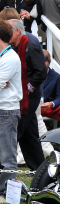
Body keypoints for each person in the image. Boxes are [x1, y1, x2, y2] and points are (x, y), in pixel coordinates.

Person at [9, 19, 46, 171]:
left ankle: (5, 167)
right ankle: (39, 168)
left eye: (8, 30)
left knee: (17, 129)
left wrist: (27, 87)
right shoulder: (16, 47)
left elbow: (41, 72)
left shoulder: (29, 46)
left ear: (17, 31)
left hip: (29, 96)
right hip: (22, 95)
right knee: (29, 134)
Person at [0, 19, 22, 192]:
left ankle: (7, 191)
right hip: (4, 109)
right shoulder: (5, 56)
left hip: (7, 111)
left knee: (7, 156)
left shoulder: (10, 58)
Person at [40, 49, 60, 127]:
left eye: (45, 61)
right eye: (40, 60)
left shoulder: (57, 77)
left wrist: (51, 104)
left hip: (50, 107)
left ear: (49, 62)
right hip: (34, 107)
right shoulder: (29, 74)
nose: (43, 63)